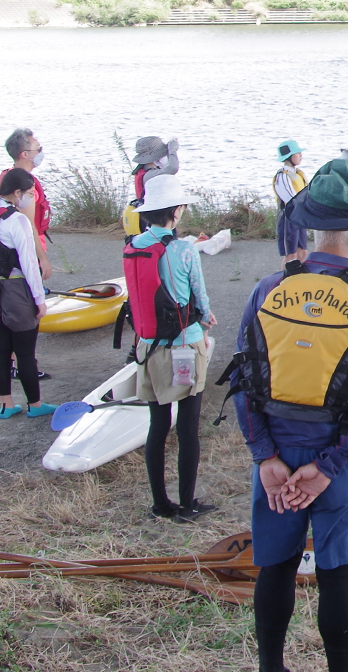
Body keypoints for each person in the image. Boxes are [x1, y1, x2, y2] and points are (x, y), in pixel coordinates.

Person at [227, 158, 348, 672]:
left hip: (277, 457)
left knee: (275, 569)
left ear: (308, 223)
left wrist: (265, 457)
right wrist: (327, 467)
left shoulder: (266, 290)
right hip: (339, 462)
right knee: (337, 578)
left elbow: (243, 383)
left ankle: (270, 668)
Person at [123, 174, 218, 523]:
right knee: (188, 426)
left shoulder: (134, 245)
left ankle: (160, 504)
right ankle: (187, 504)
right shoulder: (183, 249)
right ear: (176, 211)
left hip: (147, 346)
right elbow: (199, 295)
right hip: (184, 343)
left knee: (157, 425)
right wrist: (206, 317)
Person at [0, 168, 52, 420]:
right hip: (15, 291)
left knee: (1, 349)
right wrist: (39, 299)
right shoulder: (15, 219)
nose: (32, 198)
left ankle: (6, 405)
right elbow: (30, 263)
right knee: (25, 353)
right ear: (17, 192)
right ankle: (36, 405)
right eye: (30, 193)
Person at [0, 128, 54, 281]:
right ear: (25, 154)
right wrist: (43, 259)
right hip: (26, 251)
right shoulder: (26, 186)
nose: (41, 153)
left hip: (9, 249)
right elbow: (29, 227)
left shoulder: (6, 177)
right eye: (38, 149)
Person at [123, 136, 179, 237]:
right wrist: (173, 149)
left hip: (149, 217)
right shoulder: (149, 174)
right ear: (156, 157)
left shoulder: (143, 171)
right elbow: (173, 168)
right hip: (154, 221)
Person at [273, 140, 309, 265]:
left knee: (302, 252)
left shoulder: (298, 174)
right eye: (297, 153)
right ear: (289, 156)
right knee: (291, 255)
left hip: (299, 217)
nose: (300, 155)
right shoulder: (282, 176)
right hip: (288, 218)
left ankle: (297, 281)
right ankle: (283, 282)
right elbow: (291, 199)